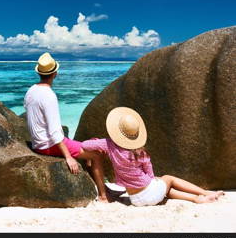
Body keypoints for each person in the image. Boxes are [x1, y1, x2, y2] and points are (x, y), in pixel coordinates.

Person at [81, 107, 225, 206]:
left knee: (165, 188)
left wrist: (95, 141)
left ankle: (196, 199)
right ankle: (204, 192)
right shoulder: (140, 152)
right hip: (150, 194)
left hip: (135, 200)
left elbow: (85, 145)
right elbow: (149, 172)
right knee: (168, 178)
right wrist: (153, 178)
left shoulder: (108, 144)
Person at [24, 52, 109, 202]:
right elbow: (55, 131)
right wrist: (68, 157)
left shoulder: (31, 91)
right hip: (48, 144)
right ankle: (103, 196)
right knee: (96, 154)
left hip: (37, 142)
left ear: (39, 72)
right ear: (55, 73)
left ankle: (92, 178)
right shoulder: (49, 95)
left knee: (90, 144)